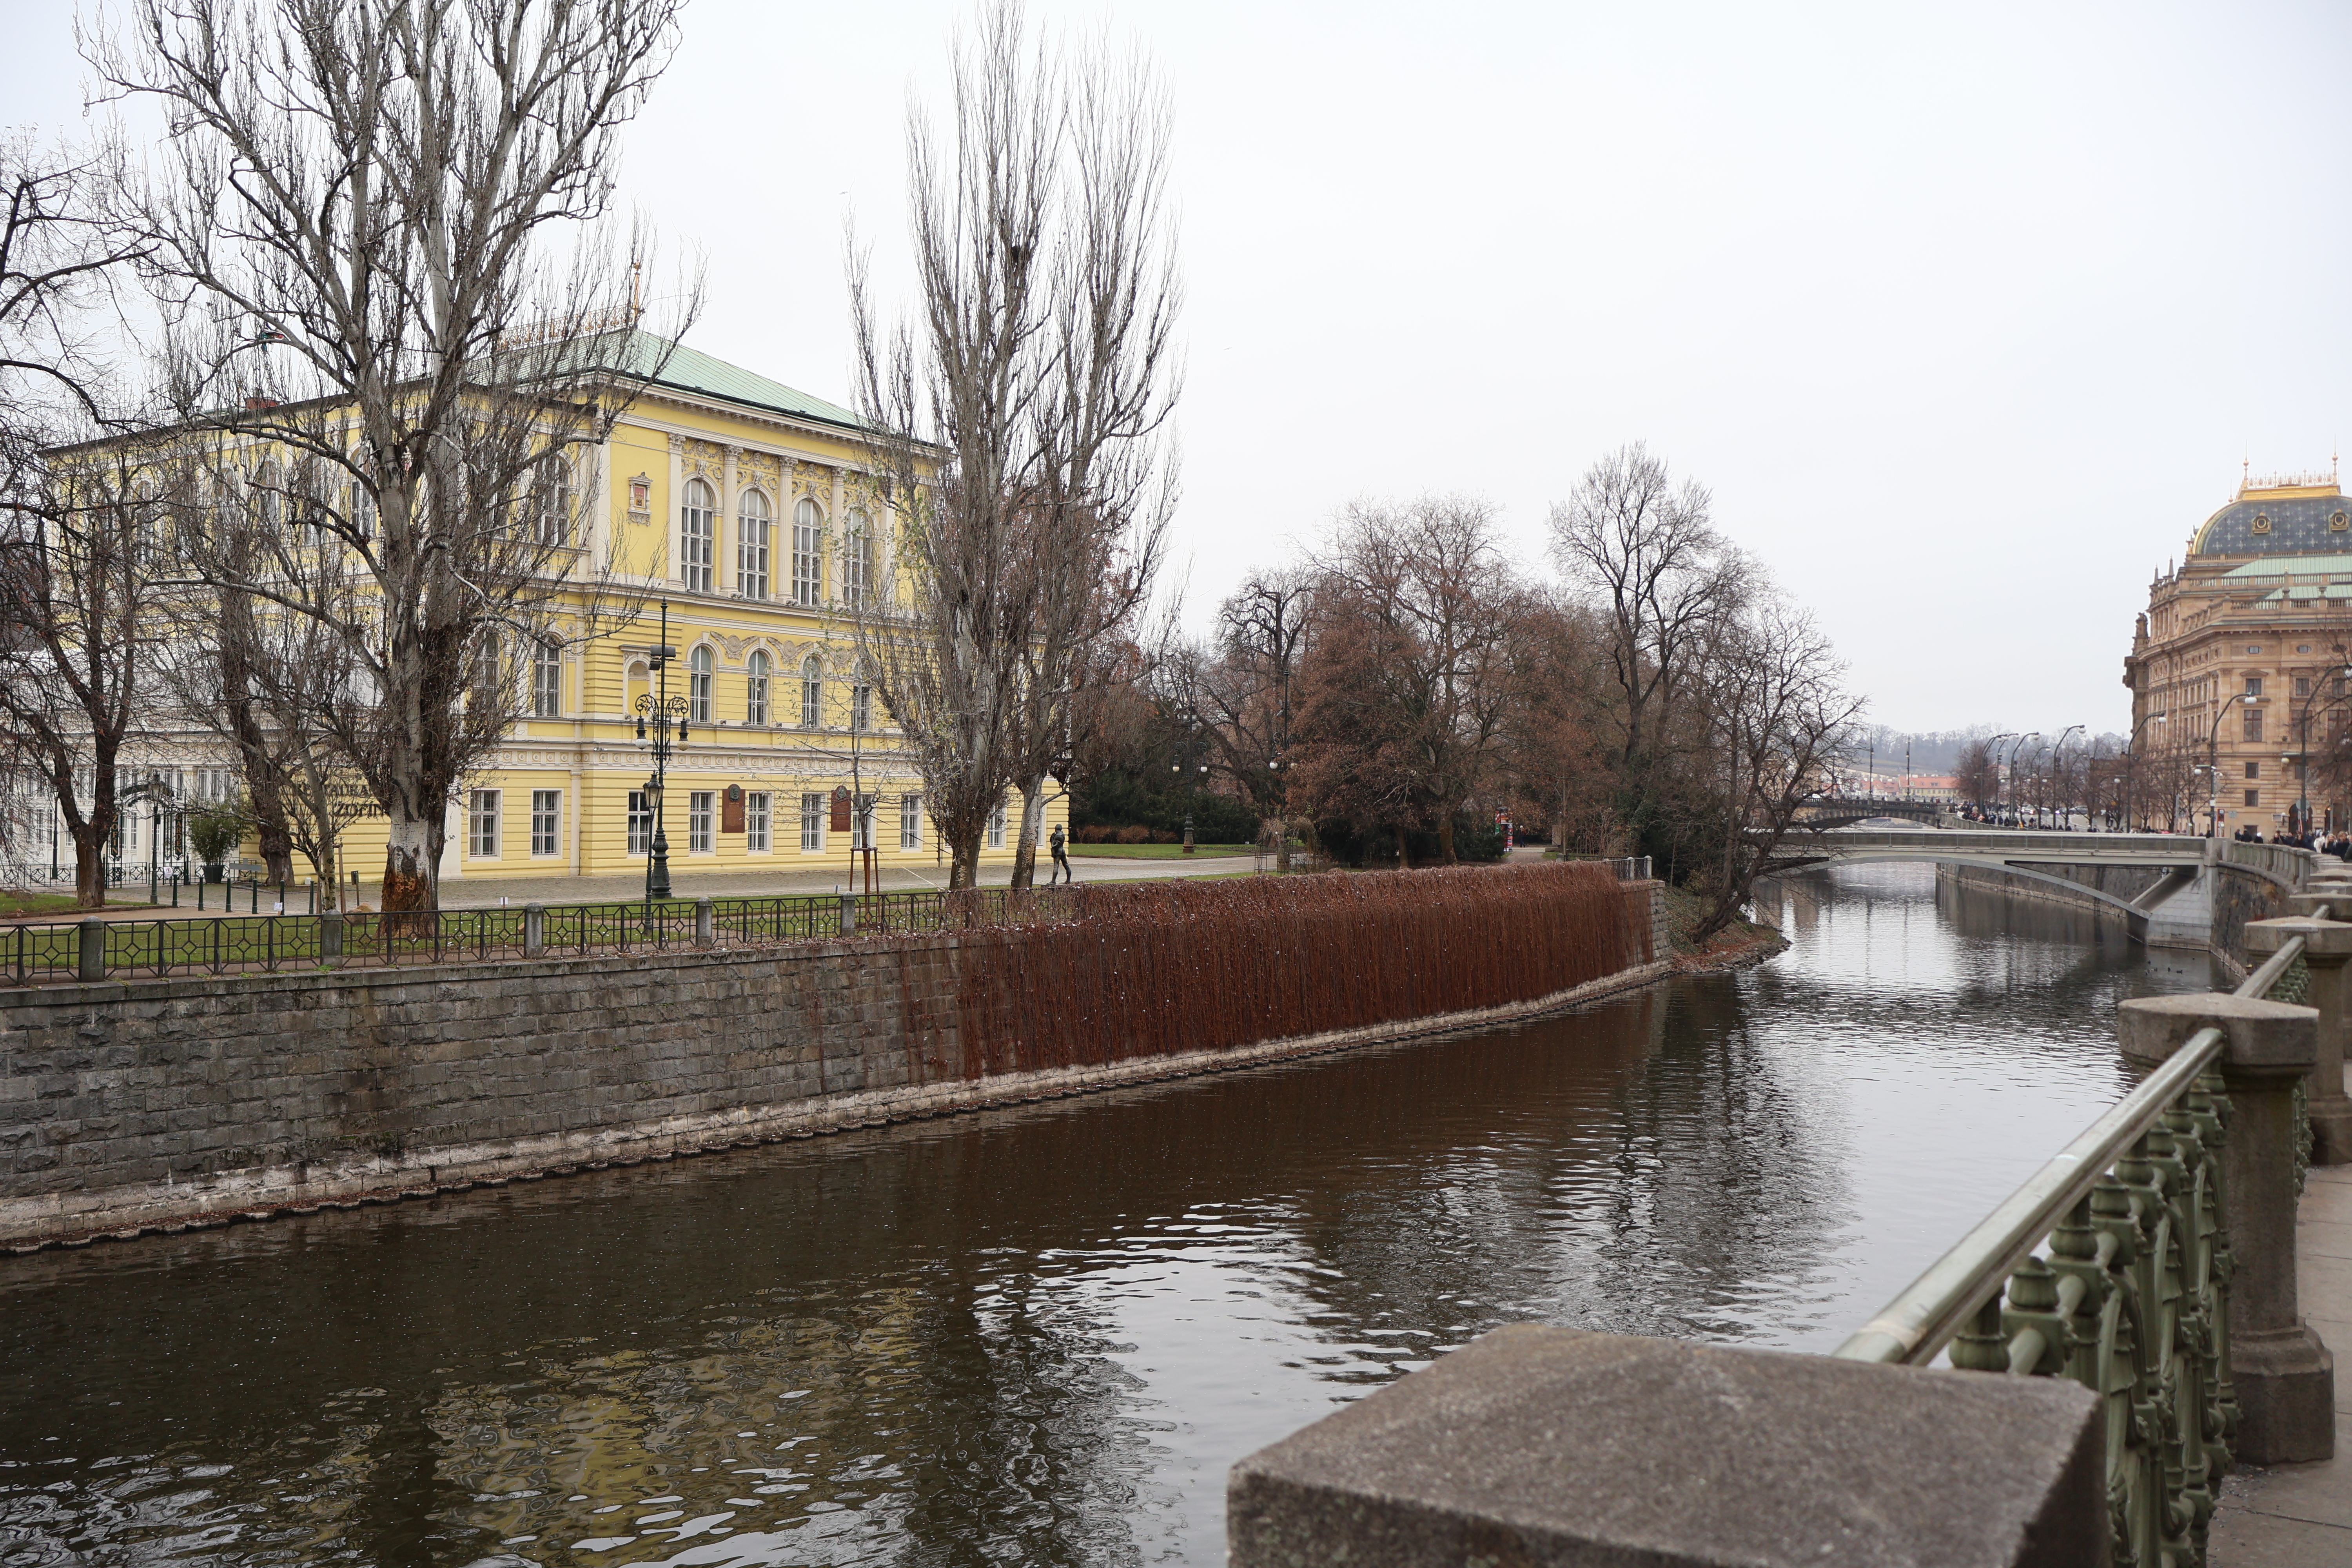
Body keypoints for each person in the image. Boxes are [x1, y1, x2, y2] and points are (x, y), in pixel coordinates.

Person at [1048, 822, 1072, 886]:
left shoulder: (1058, 836)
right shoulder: (1063, 834)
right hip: (1062, 850)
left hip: (1058, 851)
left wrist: (1052, 839)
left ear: (1056, 829)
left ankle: (1053, 881)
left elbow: (1054, 845)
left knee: (1056, 866)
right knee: (1066, 865)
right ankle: (1068, 880)